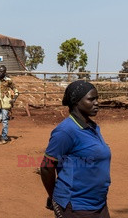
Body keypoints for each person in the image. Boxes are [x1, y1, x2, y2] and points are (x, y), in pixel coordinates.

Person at [40, 80, 111, 217]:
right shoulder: (66, 131)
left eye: (97, 99)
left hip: (99, 204)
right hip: (76, 207)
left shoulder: (93, 127)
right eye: (91, 99)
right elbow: (47, 166)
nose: (97, 103)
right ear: (76, 101)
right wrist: (54, 197)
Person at [0, 65, 19, 145]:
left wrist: (14, 98)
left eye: (2, 71)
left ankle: (4, 138)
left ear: (5, 72)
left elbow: (16, 90)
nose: (0, 73)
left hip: (5, 103)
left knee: (4, 121)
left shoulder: (9, 81)